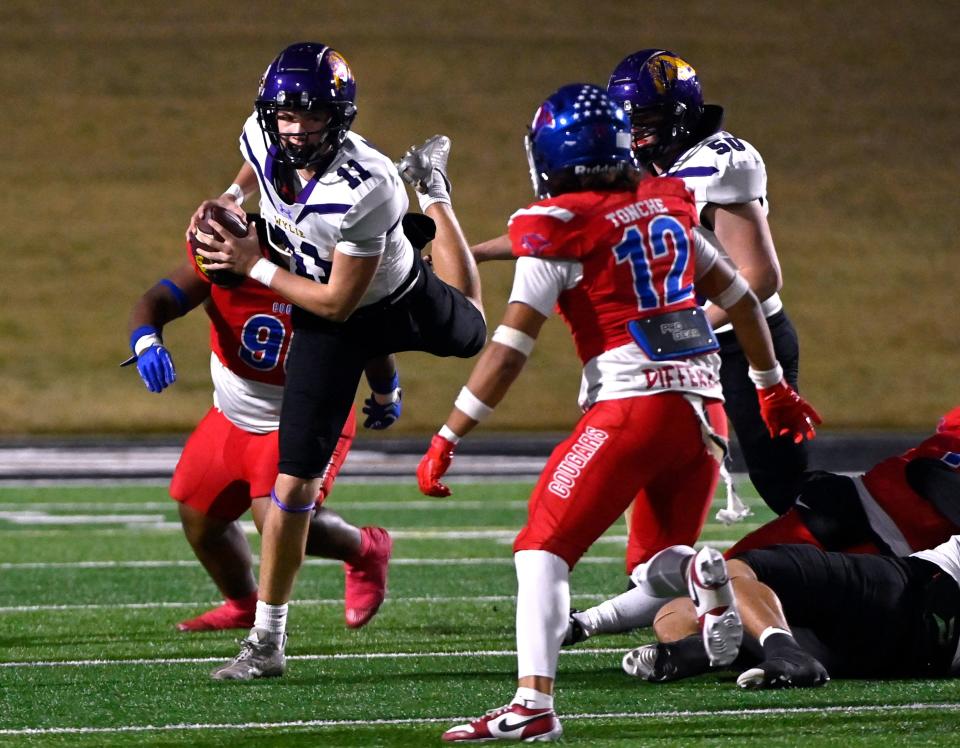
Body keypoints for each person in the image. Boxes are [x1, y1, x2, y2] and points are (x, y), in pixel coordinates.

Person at [415, 83, 819, 743]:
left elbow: (511, 350)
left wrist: (449, 432)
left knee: (541, 549)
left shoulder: (557, 227)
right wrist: (772, 386)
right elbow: (745, 299)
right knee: (652, 565)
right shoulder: (667, 210)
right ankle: (696, 571)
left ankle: (532, 704)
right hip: (705, 413)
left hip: (633, 408)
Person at [190, 42, 486, 680]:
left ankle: (434, 193)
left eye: (312, 115)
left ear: (341, 116)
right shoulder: (262, 134)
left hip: (387, 298)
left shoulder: (367, 185)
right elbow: (250, 164)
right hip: (321, 305)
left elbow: (336, 302)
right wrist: (229, 199)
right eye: (284, 115)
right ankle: (267, 643)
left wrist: (253, 264)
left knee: (473, 331)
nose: (295, 129)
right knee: (292, 485)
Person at [126, 216, 399, 632]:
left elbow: (367, 330)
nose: (213, 270)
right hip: (233, 414)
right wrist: (147, 340)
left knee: (276, 519)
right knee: (199, 516)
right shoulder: (220, 258)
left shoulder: (316, 262)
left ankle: (365, 549)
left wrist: (385, 390)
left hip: (305, 415)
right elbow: (156, 300)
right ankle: (242, 605)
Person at [606, 50, 807, 551]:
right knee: (642, 456)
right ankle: (651, 577)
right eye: (628, 121)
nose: (635, 133)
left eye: (646, 119)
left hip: (743, 343)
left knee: (783, 485)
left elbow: (759, 276)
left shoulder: (719, 163)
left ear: (678, 113)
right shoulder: (650, 164)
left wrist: (681, 328)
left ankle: (867, 563)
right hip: (688, 346)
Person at [561, 405, 960, 644]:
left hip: (874, 530)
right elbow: (933, 476)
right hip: (866, 524)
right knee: (725, 578)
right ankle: (587, 623)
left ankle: (589, 625)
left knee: (723, 589)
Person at [620, 536, 960, 687]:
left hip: (914, 588)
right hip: (910, 656)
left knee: (733, 571)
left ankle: (780, 649)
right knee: (676, 613)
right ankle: (710, 648)